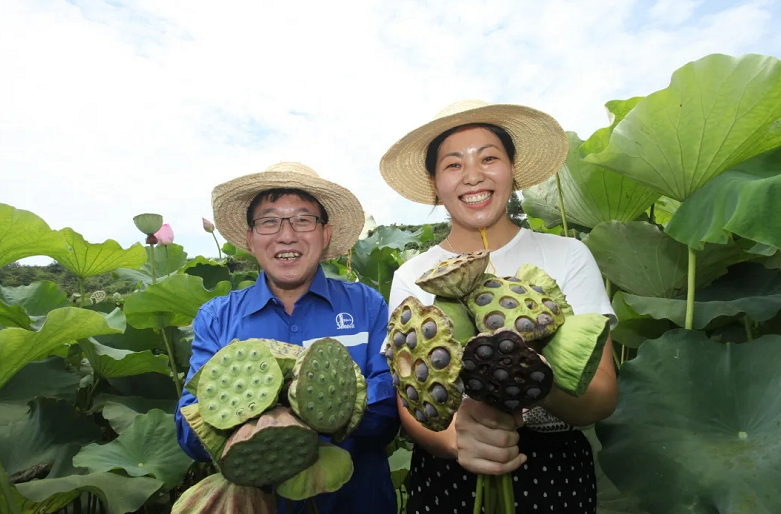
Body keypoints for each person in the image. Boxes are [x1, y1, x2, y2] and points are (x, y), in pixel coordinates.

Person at [379, 100, 618, 513]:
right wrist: (459, 440)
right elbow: (412, 399)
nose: (474, 175)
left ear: (512, 170)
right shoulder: (413, 274)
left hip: (553, 465)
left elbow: (600, 396)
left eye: (489, 158)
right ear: (435, 182)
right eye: (453, 164)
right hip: (450, 469)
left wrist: (519, 370)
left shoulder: (567, 255)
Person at [175, 162, 400, 514]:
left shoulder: (368, 305)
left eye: (303, 219)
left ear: (325, 235)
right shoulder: (217, 318)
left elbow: (390, 410)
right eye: (269, 221)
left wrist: (310, 402)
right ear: (250, 239)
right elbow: (189, 430)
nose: (286, 235)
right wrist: (257, 408)